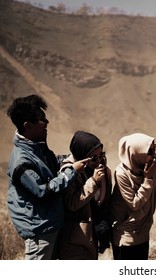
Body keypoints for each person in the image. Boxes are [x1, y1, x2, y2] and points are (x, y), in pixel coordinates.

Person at [6, 94, 87, 260]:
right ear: (28, 126)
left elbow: (52, 163)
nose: (47, 122)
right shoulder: (22, 161)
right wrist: (72, 171)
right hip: (38, 230)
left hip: (50, 224)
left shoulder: (36, 147)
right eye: (42, 119)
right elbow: (42, 191)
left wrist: (73, 159)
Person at [110, 133, 156, 260]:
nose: (154, 154)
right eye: (149, 151)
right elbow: (134, 204)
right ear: (137, 154)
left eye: (154, 148)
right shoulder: (121, 173)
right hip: (126, 235)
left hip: (143, 231)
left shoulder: (153, 163)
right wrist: (148, 179)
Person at [57, 130, 112, 259]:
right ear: (82, 156)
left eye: (101, 155)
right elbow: (72, 203)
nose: (98, 161)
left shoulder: (99, 169)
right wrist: (93, 182)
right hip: (75, 240)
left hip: (90, 238)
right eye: (93, 158)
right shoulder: (69, 171)